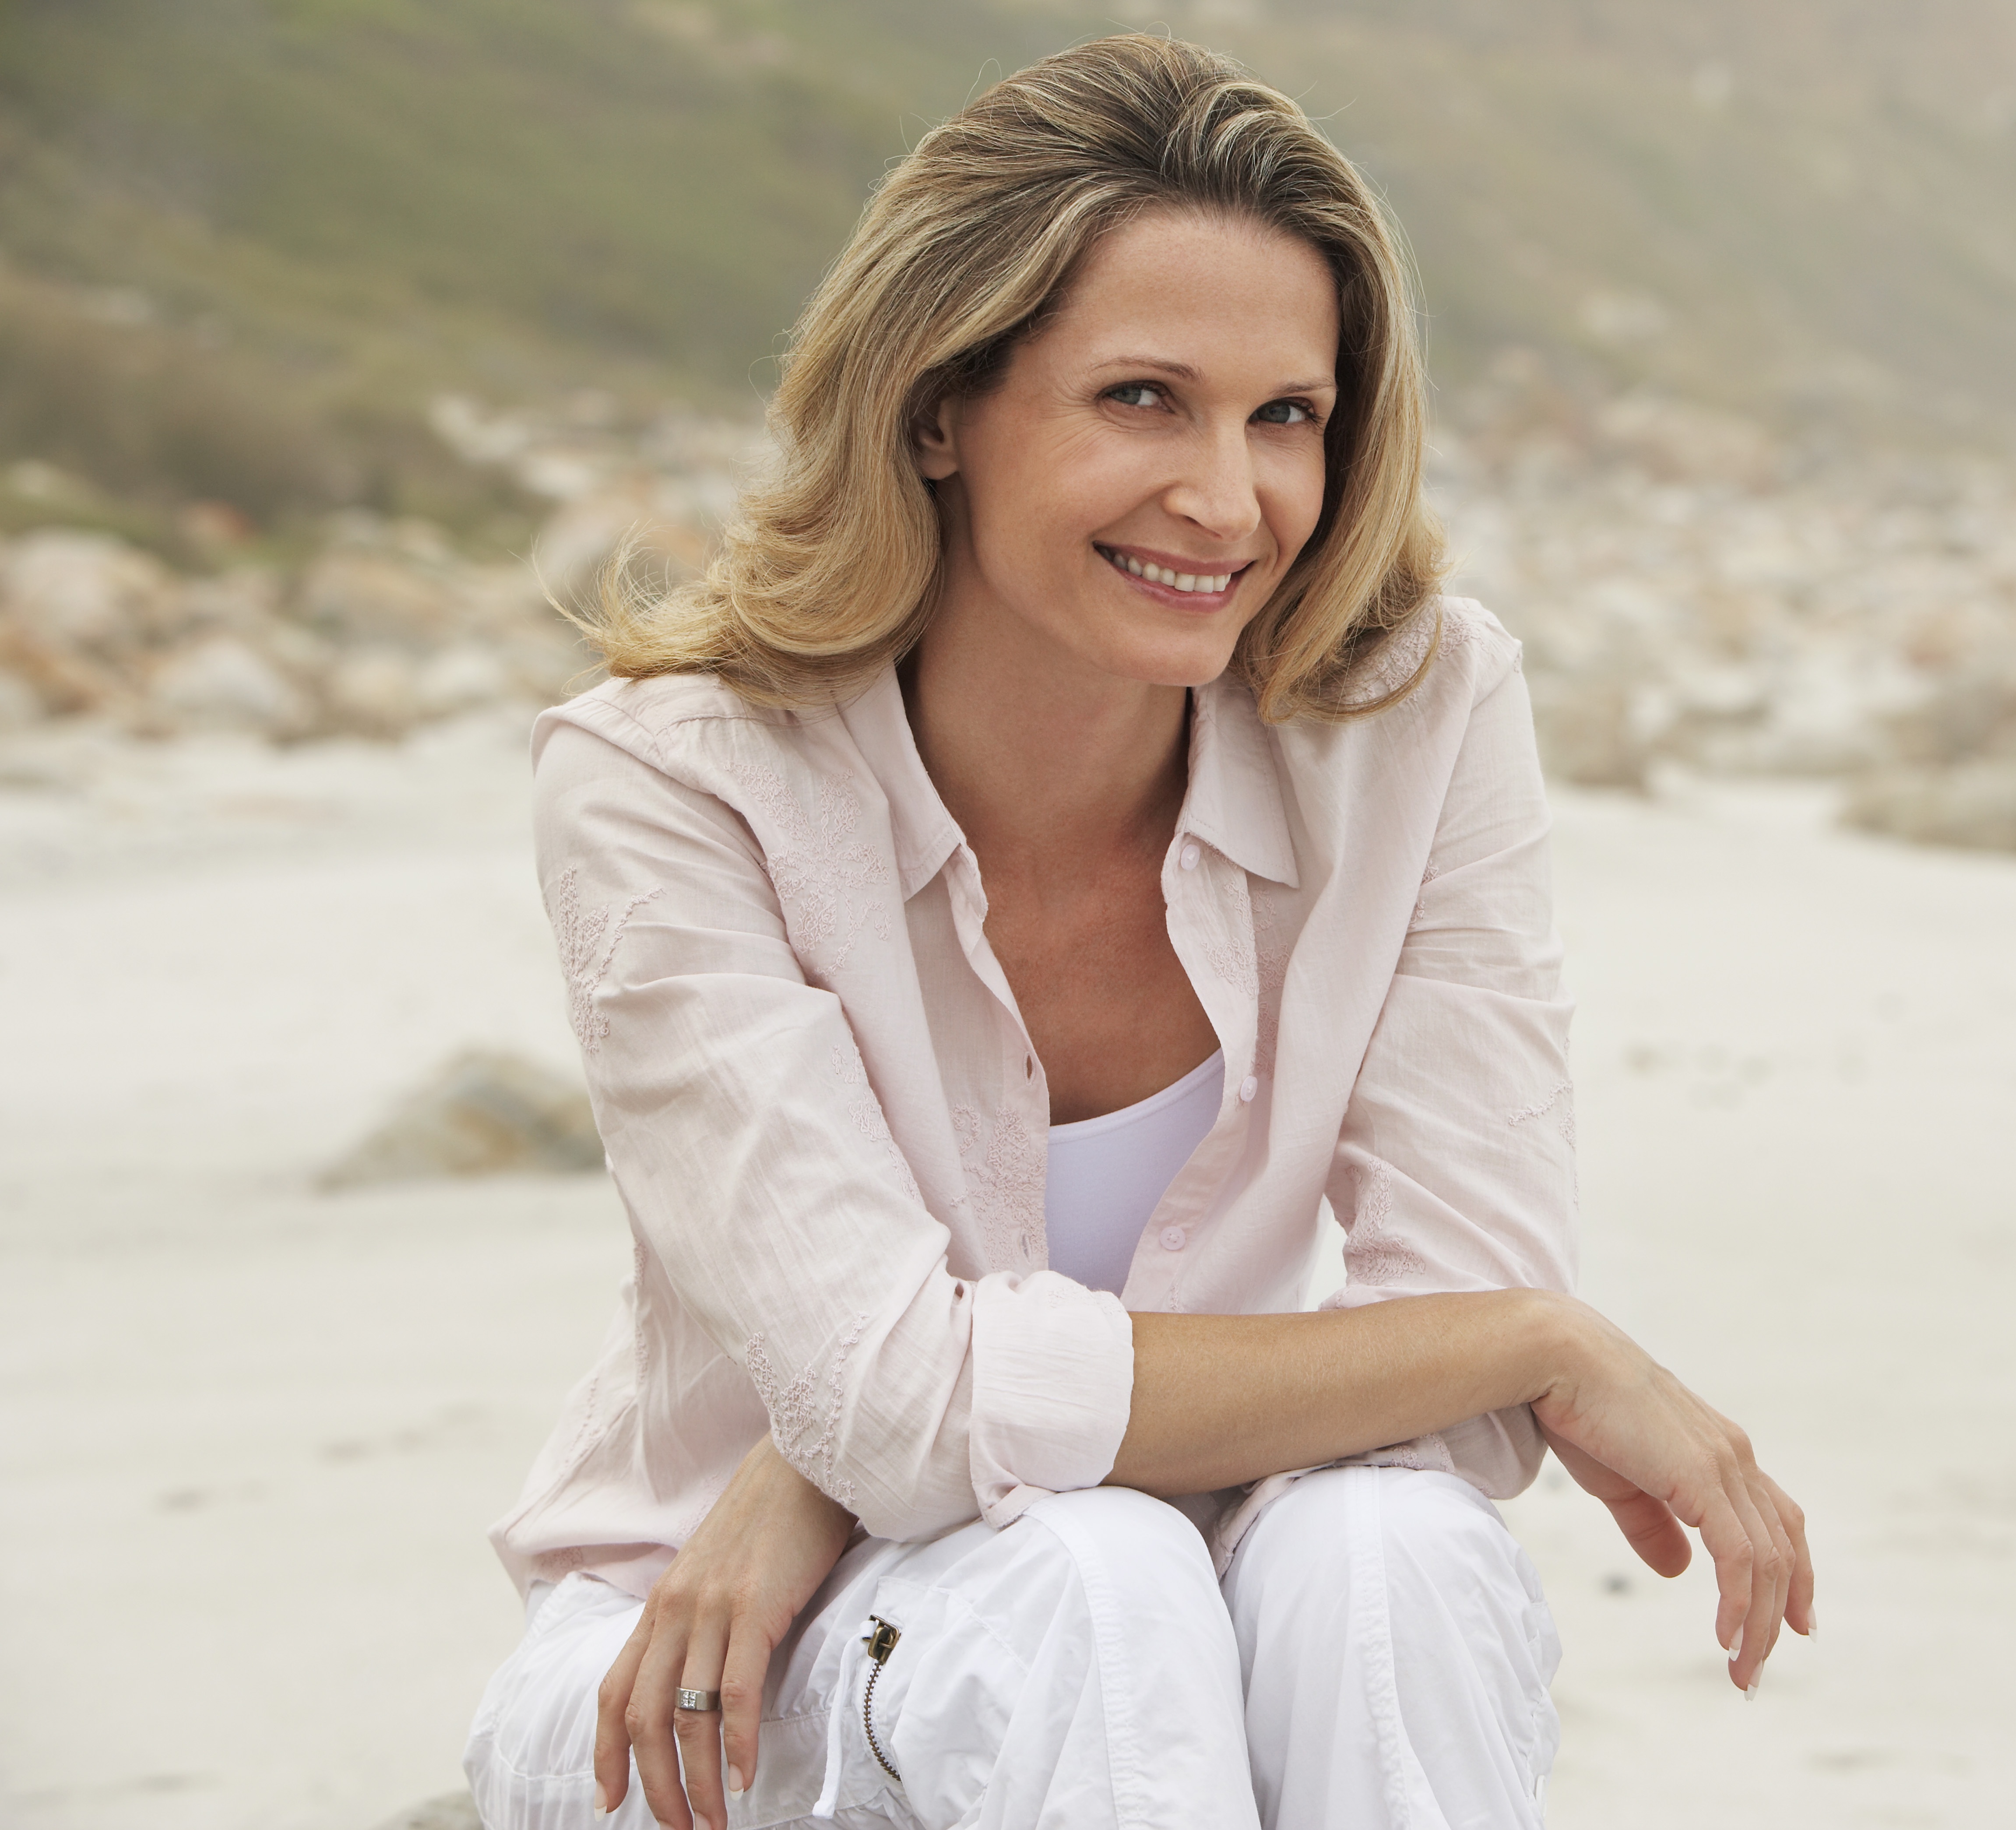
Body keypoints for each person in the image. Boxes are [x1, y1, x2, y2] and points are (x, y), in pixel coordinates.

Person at [462, 34, 1810, 1830]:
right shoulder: (674, 784)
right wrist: (1545, 1342)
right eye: (1141, 400)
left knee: (1385, 1555)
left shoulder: (1410, 716)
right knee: (1085, 1581)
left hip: (1174, 1570)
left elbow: (1448, 1394)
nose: (1227, 499)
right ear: (937, 404)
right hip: (707, 1670)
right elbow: (1473, 1353)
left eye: (1286, 417)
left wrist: (864, 1447)